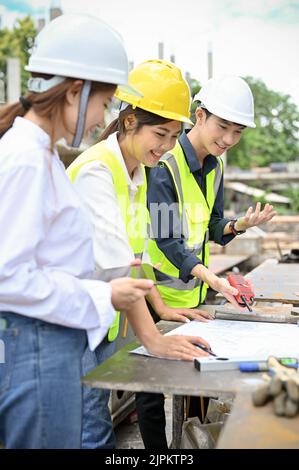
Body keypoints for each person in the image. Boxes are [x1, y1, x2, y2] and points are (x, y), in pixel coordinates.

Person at [0, 14, 156, 449]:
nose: (102, 117)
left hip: (50, 343)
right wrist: (103, 295)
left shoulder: (42, 155)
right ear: (74, 91)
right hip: (36, 347)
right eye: (104, 102)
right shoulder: (26, 159)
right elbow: (7, 277)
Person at [67, 60, 212, 449]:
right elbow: (117, 269)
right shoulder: (97, 172)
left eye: (174, 136)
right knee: (93, 432)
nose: (166, 147)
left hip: (103, 321)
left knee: (96, 425)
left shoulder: (138, 173)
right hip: (72, 324)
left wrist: (161, 310)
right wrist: (154, 339)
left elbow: (136, 253)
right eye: (160, 133)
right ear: (129, 120)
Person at [138, 75, 277, 448]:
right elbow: (167, 239)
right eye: (223, 127)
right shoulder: (164, 168)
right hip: (156, 299)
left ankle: (191, 442)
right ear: (200, 116)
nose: (229, 139)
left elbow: (213, 228)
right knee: (150, 392)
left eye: (238, 131)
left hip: (194, 297)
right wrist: (213, 279)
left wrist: (240, 225)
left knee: (197, 384)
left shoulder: (215, 167)